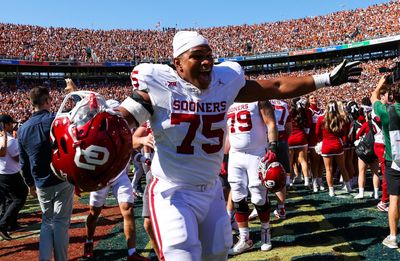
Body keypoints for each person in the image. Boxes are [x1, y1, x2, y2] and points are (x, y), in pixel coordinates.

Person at [116, 31, 361, 260]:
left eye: (209, 56)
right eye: (197, 57)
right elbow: (120, 119)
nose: (206, 63)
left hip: (211, 191)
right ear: (177, 63)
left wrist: (325, 79)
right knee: (182, 253)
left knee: (217, 254)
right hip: (173, 191)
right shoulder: (158, 85)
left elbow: (275, 86)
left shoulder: (224, 82)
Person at [83, 99, 149, 261]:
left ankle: (132, 253)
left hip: (120, 175)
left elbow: (130, 150)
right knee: (94, 212)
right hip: (103, 176)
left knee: (128, 210)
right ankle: (89, 240)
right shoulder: (99, 132)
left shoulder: (126, 128)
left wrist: (141, 158)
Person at [18, 86, 74, 260]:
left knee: (47, 221)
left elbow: (23, 162)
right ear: (47, 101)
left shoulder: (23, 128)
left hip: (40, 182)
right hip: (60, 177)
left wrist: (30, 184)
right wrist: (73, 93)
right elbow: (79, 118)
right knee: (60, 222)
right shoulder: (52, 120)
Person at [225, 100, 277, 255]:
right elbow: (226, 131)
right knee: (238, 196)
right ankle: (244, 238)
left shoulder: (258, 99)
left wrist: (273, 146)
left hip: (257, 153)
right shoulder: (228, 99)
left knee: (259, 197)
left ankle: (265, 233)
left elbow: (271, 123)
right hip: (235, 154)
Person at [371, 75, 400, 249]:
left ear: (391, 96)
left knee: (394, 199)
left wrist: (380, 84)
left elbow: (373, 96)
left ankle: (393, 236)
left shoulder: (385, 111)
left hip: (394, 160)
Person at [0, 114, 28, 240]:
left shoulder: (4, 138)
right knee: (20, 197)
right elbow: (17, 158)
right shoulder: (10, 140)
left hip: (3, 173)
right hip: (11, 174)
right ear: (5, 125)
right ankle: (3, 225)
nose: (13, 125)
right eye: (10, 123)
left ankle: (12, 223)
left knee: (9, 199)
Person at [316, 101, 352, 197]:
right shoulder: (340, 119)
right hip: (337, 145)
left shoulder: (321, 119)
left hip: (326, 146)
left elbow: (317, 133)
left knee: (328, 169)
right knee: (342, 167)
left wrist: (321, 140)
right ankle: (348, 187)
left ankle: (331, 190)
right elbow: (344, 133)